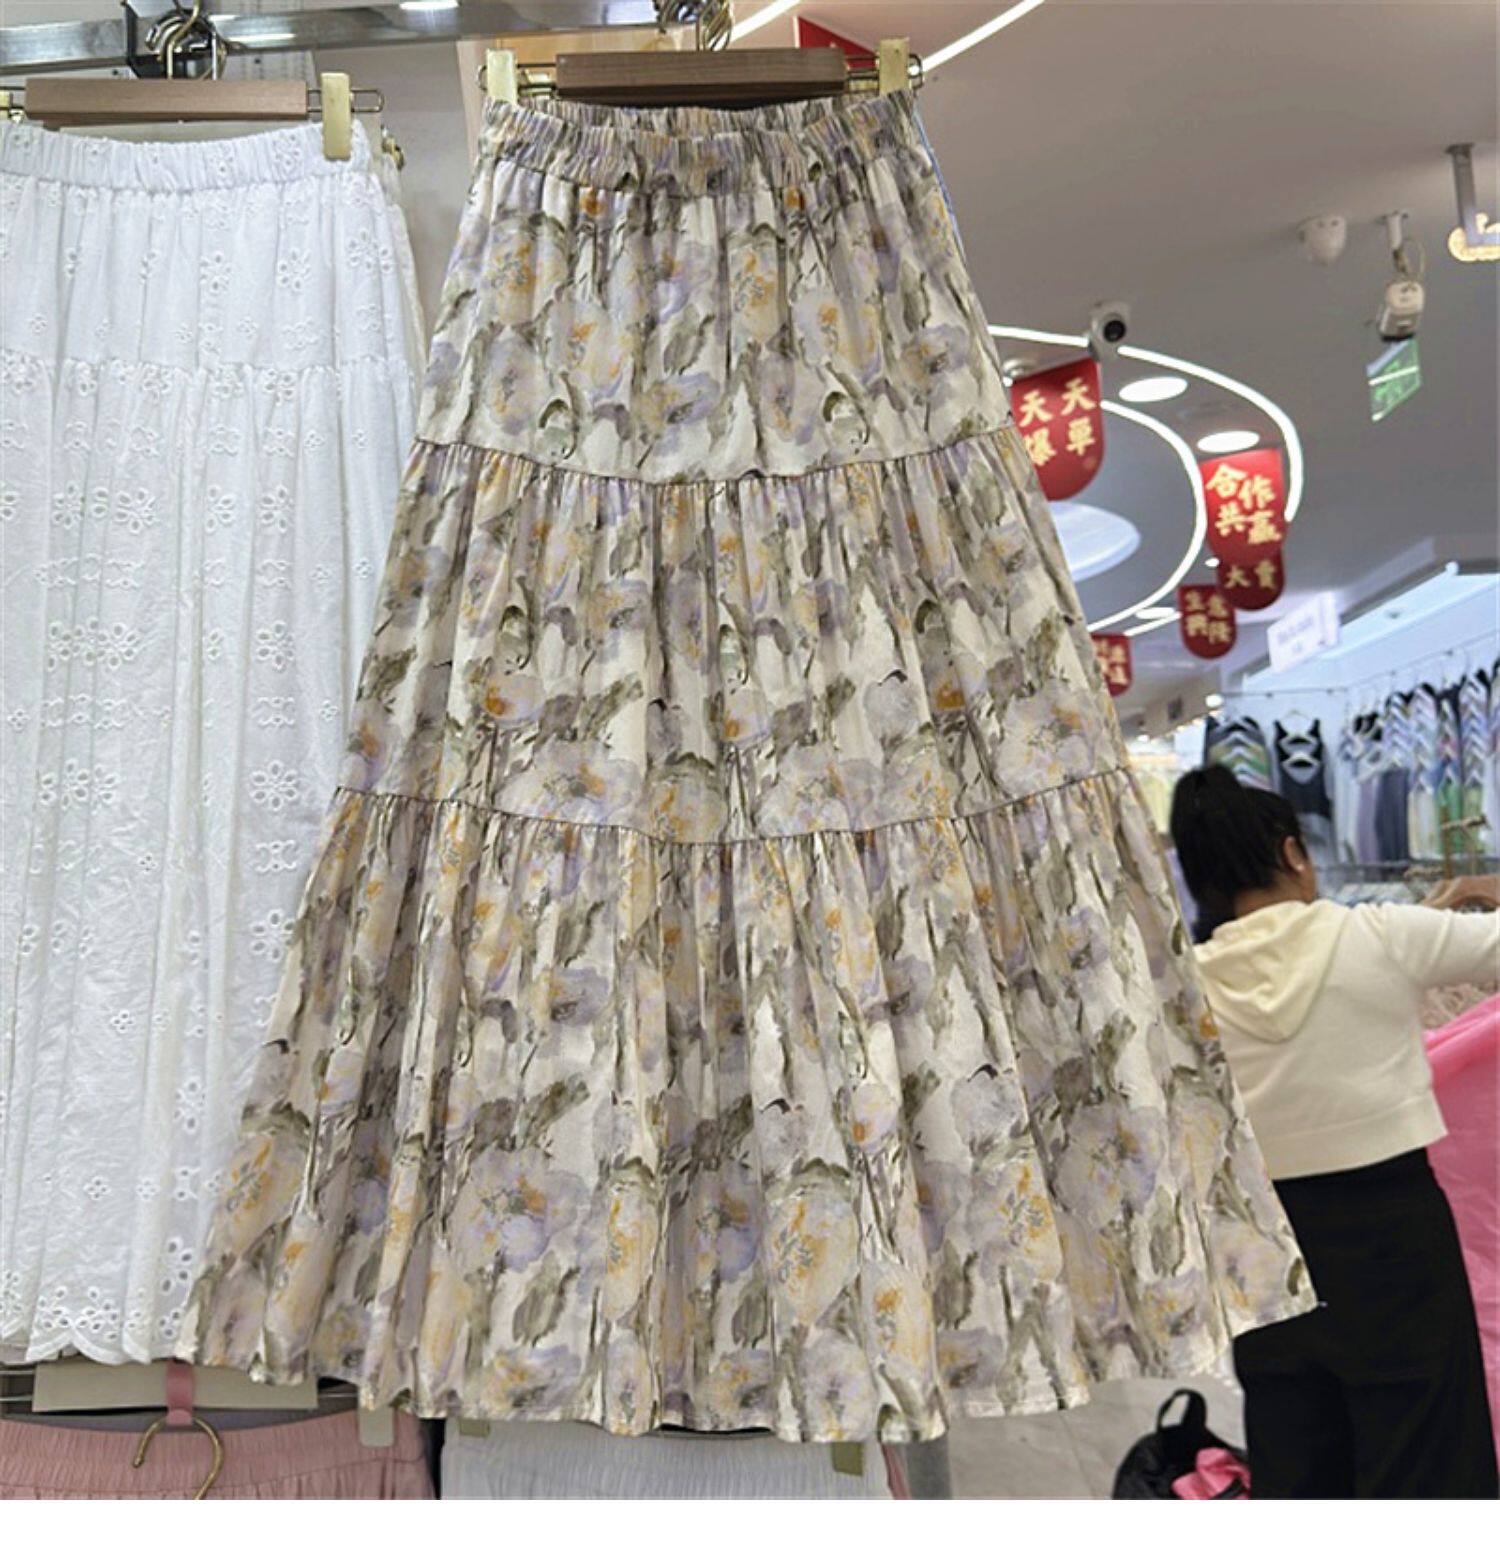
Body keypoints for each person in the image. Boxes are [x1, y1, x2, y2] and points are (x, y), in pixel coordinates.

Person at [1170, 764, 1499, 1500]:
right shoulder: (1378, 935)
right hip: (1393, 1230)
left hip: (1265, 1246)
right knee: (1425, 1456)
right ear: (1292, 853)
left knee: (1296, 1457)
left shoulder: (1187, 986)